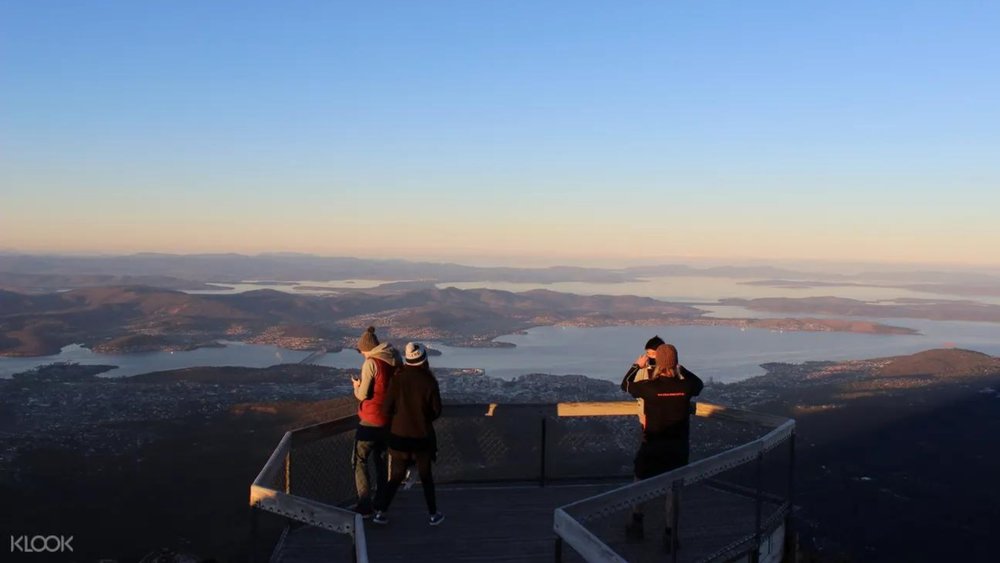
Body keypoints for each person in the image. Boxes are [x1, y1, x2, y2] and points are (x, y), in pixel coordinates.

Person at [621, 342, 704, 547]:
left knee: (640, 480)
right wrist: (681, 368)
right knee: (673, 490)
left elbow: (626, 385)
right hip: (678, 448)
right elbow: (699, 384)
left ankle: (637, 523)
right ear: (675, 363)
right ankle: (670, 534)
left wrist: (636, 366)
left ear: (657, 362)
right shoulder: (685, 387)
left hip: (652, 445)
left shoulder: (648, 388)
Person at [372, 342, 444, 526]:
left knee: (396, 476)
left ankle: (381, 512)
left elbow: (387, 409)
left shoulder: (397, 380)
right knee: (426, 476)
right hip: (422, 436)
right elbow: (436, 411)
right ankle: (433, 514)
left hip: (399, 437)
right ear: (424, 359)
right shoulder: (429, 381)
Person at [351, 326, 400, 518]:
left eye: (362, 352)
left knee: (359, 460)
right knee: (380, 461)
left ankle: (364, 504)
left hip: (370, 420)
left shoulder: (371, 363)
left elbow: (364, 394)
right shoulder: (395, 359)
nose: (362, 355)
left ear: (367, 349)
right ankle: (381, 503)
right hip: (389, 420)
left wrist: (356, 386)